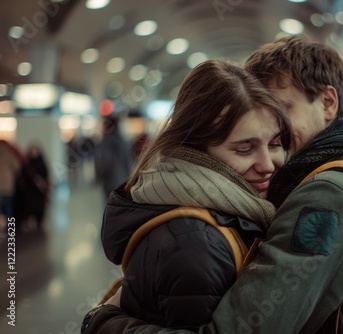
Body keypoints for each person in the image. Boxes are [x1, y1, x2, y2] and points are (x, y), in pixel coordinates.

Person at [82, 35, 343, 334]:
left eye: (282, 113)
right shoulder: (199, 233)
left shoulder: (328, 197)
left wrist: (104, 321)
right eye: (244, 147)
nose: (269, 163)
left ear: (328, 102)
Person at [90, 59, 292, 330]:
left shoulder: (220, 217)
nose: (267, 164)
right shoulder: (195, 241)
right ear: (196, 149)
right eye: (244, 149)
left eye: (275, 144)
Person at [93, 115, 134, 200]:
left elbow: (105, 162)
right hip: (123, 180)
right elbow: (128, 161)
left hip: (110, 181)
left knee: (110, 206)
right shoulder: (123, 140)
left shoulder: (107, 141)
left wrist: (98, 177)